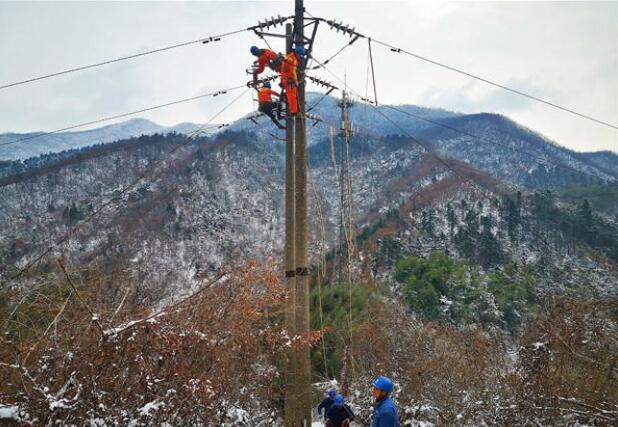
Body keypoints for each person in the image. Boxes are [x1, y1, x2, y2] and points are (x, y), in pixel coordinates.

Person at [279, 46, 305, 116]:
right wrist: (295, 80)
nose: (300, 57)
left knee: (291, 96)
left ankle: (294, 110)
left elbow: (287, 59)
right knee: (292, 96)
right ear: (298, 54)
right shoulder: (293, 59)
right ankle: (294, 111)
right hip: (289, 80)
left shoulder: (290, 56)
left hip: (285, 79)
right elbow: (292, 69)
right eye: (300, 55)